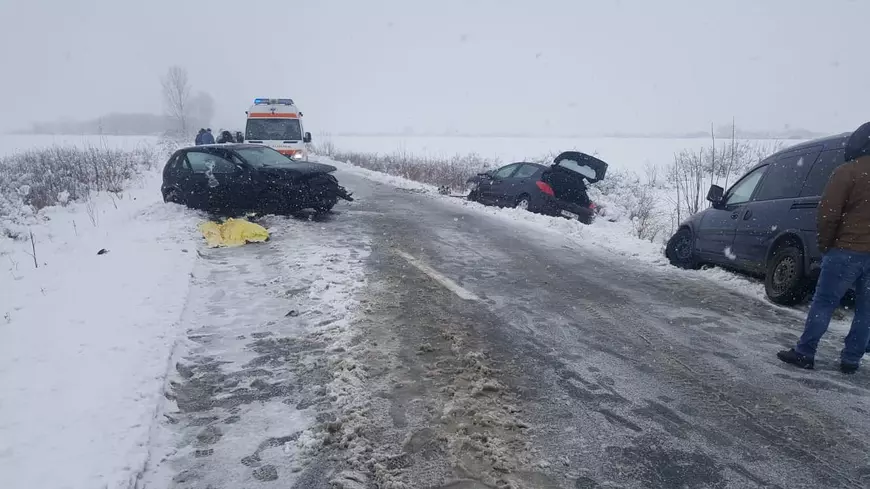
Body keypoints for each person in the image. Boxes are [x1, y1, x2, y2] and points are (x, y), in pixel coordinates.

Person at [778, 121, 870, 374]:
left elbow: (828, 214)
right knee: (866, 310)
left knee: (825, 302)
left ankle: (805, 352)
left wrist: (826, 244)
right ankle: (852, 360)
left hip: (846, 250)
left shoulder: (848, 171)